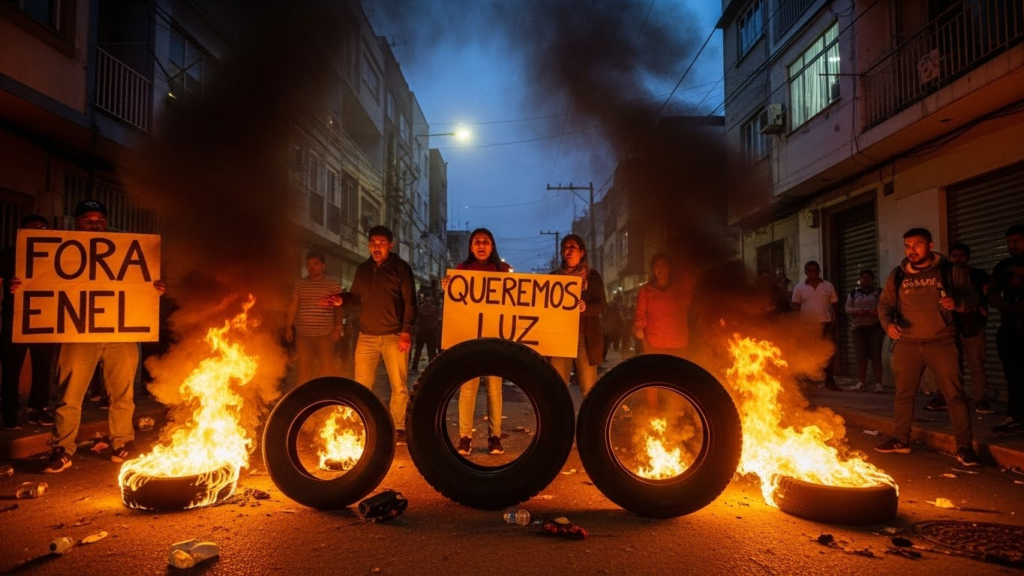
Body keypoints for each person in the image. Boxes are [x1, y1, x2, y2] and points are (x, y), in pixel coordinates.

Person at [15, 200, 166, 473]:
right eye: (88, 220)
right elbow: (39, 282)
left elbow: (138, 285)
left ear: (105, 223)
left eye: (99, 220)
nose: (95, 224)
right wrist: (22, 286)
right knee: (69, 396)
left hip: (121, 334)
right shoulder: (57, 253)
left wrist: (153, 288)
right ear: (76, 223)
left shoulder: (122, 252)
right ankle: (63, 449)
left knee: (123, 395)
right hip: (77, 334)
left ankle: (121, 443)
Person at [874, 227, 980, 466]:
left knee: (954, 396)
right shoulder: (897, 275)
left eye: (917, 245)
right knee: (903, 395)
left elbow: (973, 300)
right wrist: (888, 325)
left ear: (930, 246)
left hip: (943, 342)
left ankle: (964, 447)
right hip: (907, 344)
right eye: (908, 246)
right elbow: (885, 304)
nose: (912, 250)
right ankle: (901, 439)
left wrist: (958, 303)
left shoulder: (950, 271)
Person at [322, 226, 415, 445]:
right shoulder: (363, 269)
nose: (376, 247)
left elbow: (411, 302)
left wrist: (406, 332)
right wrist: (341, 300)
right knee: (361, 384)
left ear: (390, 246)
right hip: (367, 337)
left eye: (381, 243)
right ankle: (363, 423)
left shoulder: (401, 269)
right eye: (373, 243)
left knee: (398, 386)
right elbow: (355, 297)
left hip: (394, 336)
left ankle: (399, 427)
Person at [441, 228, 511, 455]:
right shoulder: (461, 271)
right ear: (471, 247)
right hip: (468, 340)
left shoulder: (503, 271)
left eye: (486, 242)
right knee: (468, 389)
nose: (481, 245)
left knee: (494, 389)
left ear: (492, 246)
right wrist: (447, 287)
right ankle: (464, 438)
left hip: (495, 340)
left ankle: (495, 438)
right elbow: (455, 305)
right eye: (477, 242)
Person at [0, 214, 58, 430]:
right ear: (22, 230)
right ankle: (9, 412)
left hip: (46, 320)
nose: (39, 230)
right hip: (14, 321)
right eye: (34, 227)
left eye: (43, 227)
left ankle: (38, 409)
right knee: (11, 369)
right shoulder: (9, 254)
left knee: (43, 367)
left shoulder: (54, 255)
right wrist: (9, 287)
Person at [924, 242, 992, 412]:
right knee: (948, 365)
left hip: (972, 326)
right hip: (948, 326)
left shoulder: (978, 275)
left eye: (961, 255)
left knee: (976, 363)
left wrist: (981, 307)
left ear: (968, 257)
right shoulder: (944, 274)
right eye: (954, 255)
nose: (957, 259)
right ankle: (944, 397)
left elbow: (987, 295)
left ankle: (980, 399)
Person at [549, 235, 606, 397]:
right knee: (557, 387)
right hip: (561, 338)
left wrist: (586, 308)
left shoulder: (592, 277)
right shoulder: (553, 278)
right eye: (566, 247)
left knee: (589, 388)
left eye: (573, 246)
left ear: (582, 252)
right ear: (562, 253)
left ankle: (588, 421)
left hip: (584, 338)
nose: (569, 250)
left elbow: (602, 304)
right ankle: (559, 421)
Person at [285, 249, 343, 387]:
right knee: (303, 371)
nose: (311, 267)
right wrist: (288, 327)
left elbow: (339, 307)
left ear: (323, 266)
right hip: (303, 335)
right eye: (309, 264)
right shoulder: (300, 284)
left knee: (326, 370)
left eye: (316, 264)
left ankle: (327, 399)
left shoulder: (332, 284)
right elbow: (293, 306)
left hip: (325, 335)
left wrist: (338, 327)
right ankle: (305, 401)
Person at [989, 224, 1024, 435]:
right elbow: (992, 292)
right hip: (1010, 327)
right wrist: (1003, 305)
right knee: (1013, 374)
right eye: (1009, 242)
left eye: (1017, 241)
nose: (1012, 245)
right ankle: (1015, 417)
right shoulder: (1003, 266)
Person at [791, 260, 841, 391]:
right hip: (808, 326)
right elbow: (795, 305)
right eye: (810, 271)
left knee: (828, 353)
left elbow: (835, 304)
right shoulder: (799, 287)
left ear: (819, 271)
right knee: (808, 354)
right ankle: (809, 383)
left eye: (815, 270)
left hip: (825, 324)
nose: (813, 273)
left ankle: (829, 382)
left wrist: (835, 319)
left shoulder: (828, 286)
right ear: (805, 272)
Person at [633, 253, 695, 358]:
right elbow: (640, 313)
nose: (660, 268)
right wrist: (639, 328)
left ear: (670, 267)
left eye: (663, 264)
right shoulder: (645, 290)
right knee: (658, 372)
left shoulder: (680, 288)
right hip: (654, 342)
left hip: (678, 342)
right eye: (657, 265)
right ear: (653, 269)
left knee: (676, 373)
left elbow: (690, 295)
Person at [845, 269, 884, 393]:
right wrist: (858, 311)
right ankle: (861, 382)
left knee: (876, 355)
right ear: (860, 280)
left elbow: (885, 306)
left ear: (873, 280)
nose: (866, 280)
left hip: (875, 327)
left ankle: (878, 383)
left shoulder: (879, 292)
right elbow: (847, 308)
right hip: (858, 328)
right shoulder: (853, 293)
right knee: (861, 356)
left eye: (868, 278)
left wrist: (876, 312)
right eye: (864, 278)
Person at [409, 295, 438, 373]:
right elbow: (436, 320)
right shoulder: (434, 308)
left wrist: (415, 330)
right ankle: (431, 367)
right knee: (431, 351)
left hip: (421, 332)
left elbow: (417, 320)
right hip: (431, 332)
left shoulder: (420, 308)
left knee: (418, 351)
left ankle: (414, 367)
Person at [602, 294, 626, 361]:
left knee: (607, 342)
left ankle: (603, 358)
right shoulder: (619, 306)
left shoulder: (610, 306)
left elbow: (605, 314)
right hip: (615, 327)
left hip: (610, 326)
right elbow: (622, 316)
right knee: (612, 340)